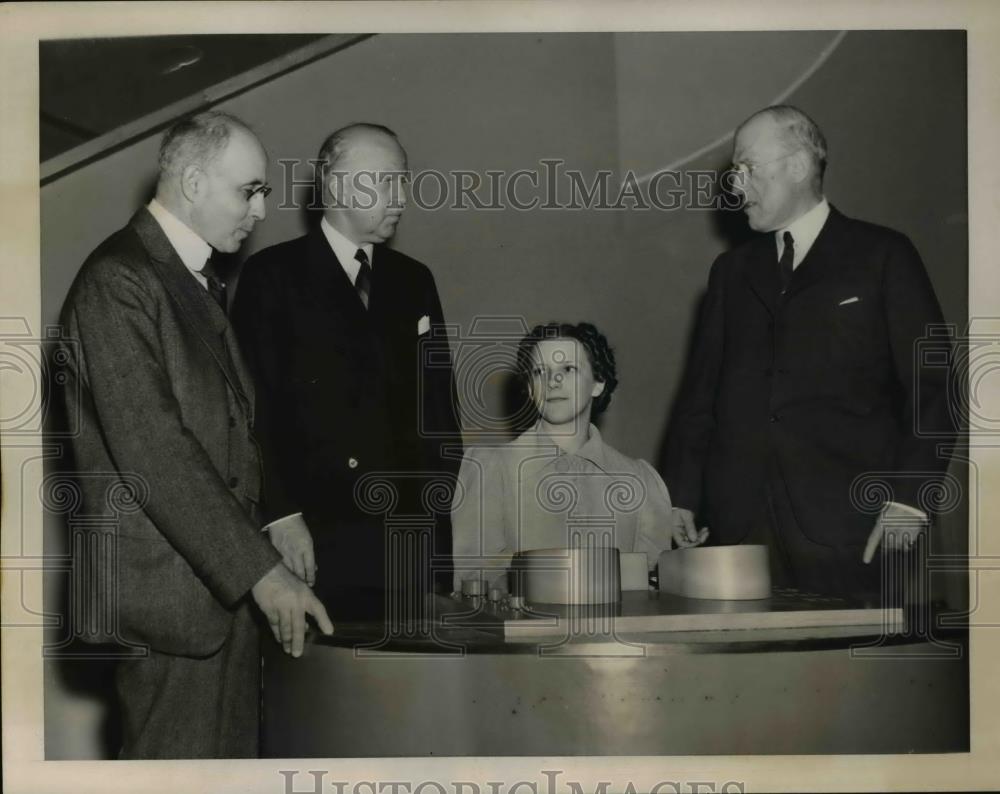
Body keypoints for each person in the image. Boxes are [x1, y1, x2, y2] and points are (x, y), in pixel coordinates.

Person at [59, 111, 333, 759]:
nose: (262, 211)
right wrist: (262, 575)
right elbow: (157, 451)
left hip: (210, 594)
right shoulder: (119, 281)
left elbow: (229, 435)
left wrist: (274, 521)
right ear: (190, 182)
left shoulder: (189, 280)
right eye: (250, 190)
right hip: (171, 605)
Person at [663, 104, 953, 598]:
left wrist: (909, 500)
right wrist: (681, 497)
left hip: (854, 533)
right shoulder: (730, 273)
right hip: (740, 534)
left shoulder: (883, 255)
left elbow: (936, 389)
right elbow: (700, 398)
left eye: (747, 167)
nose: (735, 185)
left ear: (798, 166)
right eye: (734, 170)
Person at [232, 123, 461, 618]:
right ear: (335, 187)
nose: (400, 196)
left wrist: (435, 527)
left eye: (403, 181)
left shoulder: (414, 281)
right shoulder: (272, 276)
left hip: (410, 549)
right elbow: (254, 411)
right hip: (315, 547)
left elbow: (440, 414)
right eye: (385, 181)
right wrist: (282, 515)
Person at [452, 322, 708, 593]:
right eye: (540, 372)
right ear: (529, 388)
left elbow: (652, 590)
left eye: (568, 369)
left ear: (598, 384)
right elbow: (474, 581)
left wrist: (683, 559)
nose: (553, 381)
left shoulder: (639, 478)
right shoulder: (488, 468)